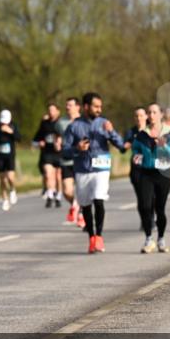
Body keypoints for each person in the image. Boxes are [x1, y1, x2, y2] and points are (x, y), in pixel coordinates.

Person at [62, 92, 125, 254]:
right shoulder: (74, 126)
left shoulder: (105, 123)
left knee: (99, 199)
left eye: (100, 107)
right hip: (82, 169)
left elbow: (121, 146)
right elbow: (64, 151)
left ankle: (99, 236)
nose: (99, 109)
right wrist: (77, 148)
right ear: (86, 107)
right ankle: (91, 237)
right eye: (96, 106)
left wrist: (111, 132)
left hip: (101, 168)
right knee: (86, 205)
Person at [131, 103, 170, 253]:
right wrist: (137, 157)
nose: (151, 115)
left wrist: (165, 146)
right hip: (146, 173)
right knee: (145, 206)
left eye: (154, 112)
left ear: (161, 115)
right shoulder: (142, 134)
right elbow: (136, 150)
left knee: (160, 209)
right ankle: (148, 239)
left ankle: (161, 238)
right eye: (149, 112)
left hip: (163, 174)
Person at [58, 97, 84, 227]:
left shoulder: (84, 121)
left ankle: (81, 214)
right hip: (66, 159)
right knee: (67, 191)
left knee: (82, 190)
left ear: (78, 107)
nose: (68, 107)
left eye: (70, 105)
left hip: (81, 160)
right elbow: (57, 135)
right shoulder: (61, 122)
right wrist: (57, 142)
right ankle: (75, 204)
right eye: (67, 105)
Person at [124, 106, 150, 232]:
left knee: (151, 197)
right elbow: (123, 148)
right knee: (141, 198)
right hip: (137, 169)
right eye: (136, 116)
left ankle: (151, 218)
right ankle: (144, 221)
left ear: (146, 116)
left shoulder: (152, 130)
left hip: (151, 169)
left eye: (141, 115)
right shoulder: (131, 132)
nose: (139, 118)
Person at [33, 103, 64, 208]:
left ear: (58, 111)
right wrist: (39, 142)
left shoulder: (62, 123)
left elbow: (68, 137)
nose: (51, 112)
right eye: (49, 110)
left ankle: (58, 195)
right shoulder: (44, 123)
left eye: (53, 110)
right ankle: (50, 195)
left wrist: (61, 142)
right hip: (47, 153)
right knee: (48, 174)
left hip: (59, 153)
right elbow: (37, 137)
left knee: (58, 176)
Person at [0, 109, 21, 211]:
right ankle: (5, 200)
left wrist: (10, 131)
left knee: (10, 178)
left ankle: (12, 189)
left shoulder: (13, 125)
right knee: (2, 179)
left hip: (10, 155)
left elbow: (19, 138)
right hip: (0, 156)